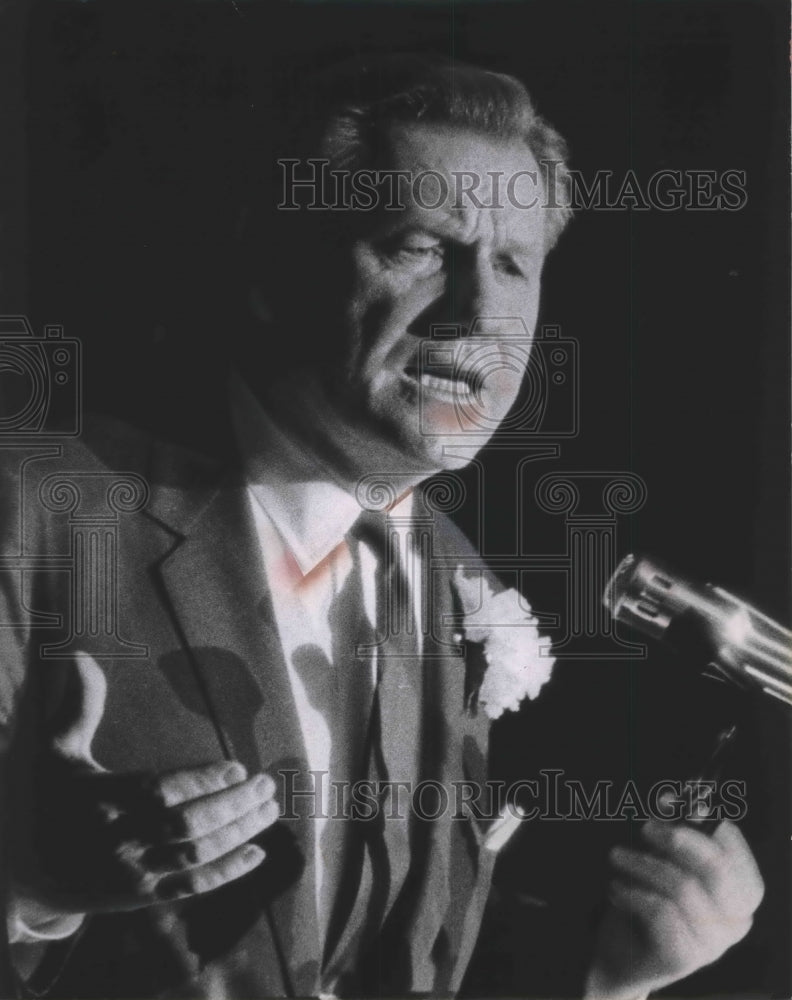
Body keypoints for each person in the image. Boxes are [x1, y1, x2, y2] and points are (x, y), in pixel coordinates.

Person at [0, 53, 763, 999]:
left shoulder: (466, 587)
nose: (479, 313)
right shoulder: (36, 512)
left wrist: (613, 977)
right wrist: (26, 881)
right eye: (421, 246)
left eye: (513, 265)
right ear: (272, 265)